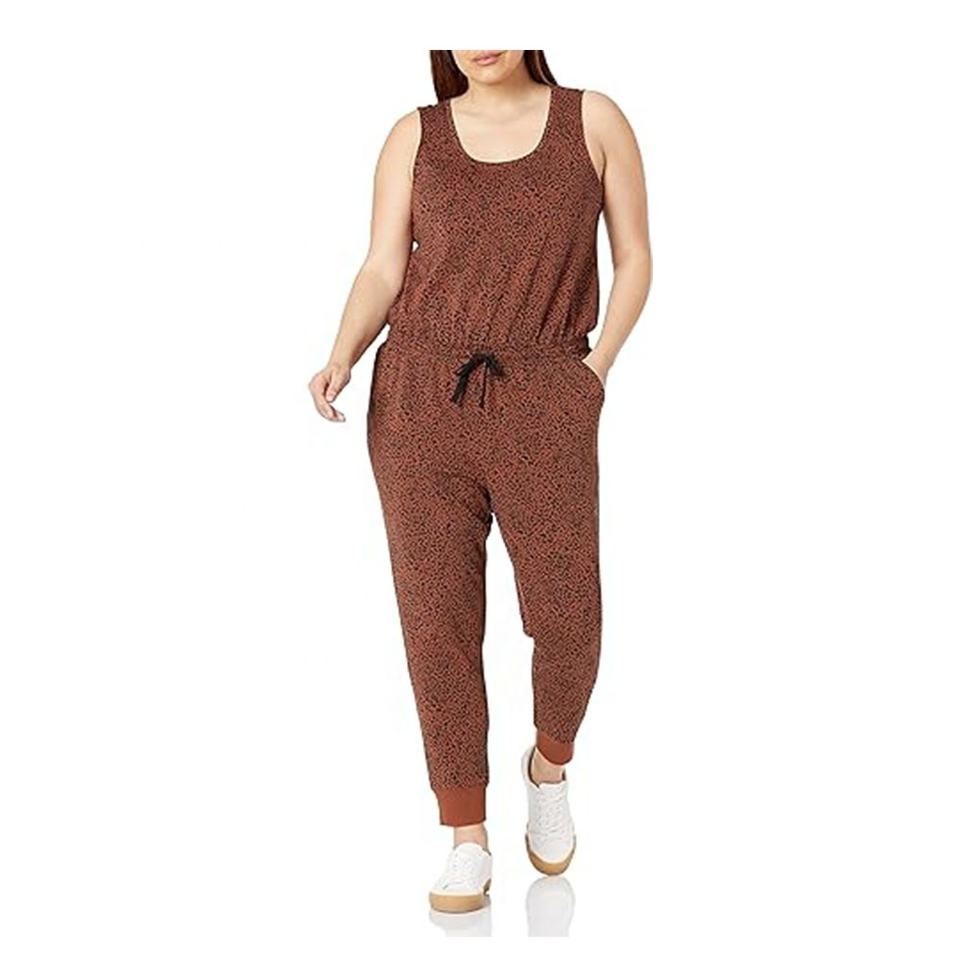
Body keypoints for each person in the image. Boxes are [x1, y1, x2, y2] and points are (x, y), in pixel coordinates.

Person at [309, 50, 651, 913]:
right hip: (421, 396)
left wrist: (594, 373)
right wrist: (342, 352)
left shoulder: (593, 121)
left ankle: (550, 765)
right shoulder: (414, 136)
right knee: (438, 623)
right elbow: (383, 266)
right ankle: (466, 835)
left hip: (546, 389)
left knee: (569, 615)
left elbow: (636, 257)